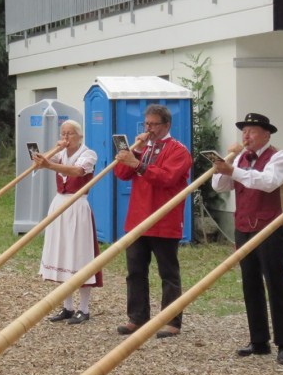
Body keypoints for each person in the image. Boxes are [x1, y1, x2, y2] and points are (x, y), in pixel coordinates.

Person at [212, 112, 283, 366]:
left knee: (275, 283)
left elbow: (268, 182)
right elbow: (219, 186)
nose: (246, 136)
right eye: (244, 131)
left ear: (266, 134)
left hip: (270, 227)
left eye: (252, 131)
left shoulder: (279, 156)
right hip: (243, 226)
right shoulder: (240, 158)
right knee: (250, 283)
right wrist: (228, 162)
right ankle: (258, 340)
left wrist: (234, 170)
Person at [113, 104, 192, 338]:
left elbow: (167, 178)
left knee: (168, 273)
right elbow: (122, 174)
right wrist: (130, 155)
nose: (149, 129)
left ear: (166, 125)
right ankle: (137, 318)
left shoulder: (179, 150)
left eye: (154, 124)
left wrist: (137, 164)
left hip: (164, 219)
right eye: (146, 124)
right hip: (138, 219)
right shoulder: (143, 148)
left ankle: (171, 320)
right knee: (135, 271)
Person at [34, 120, 101, 324]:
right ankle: (67, 306)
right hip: (59, 203)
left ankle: (84, 308)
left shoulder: (89, 154)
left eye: (70, 134)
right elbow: (39, 162)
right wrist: (54, 149)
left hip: (77, 205)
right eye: (63, 133)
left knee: (79, 253)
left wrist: (50, 165)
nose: (66, 137)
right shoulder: (60, 152)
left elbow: (78, 172)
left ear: (79, 136)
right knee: (62, 251)